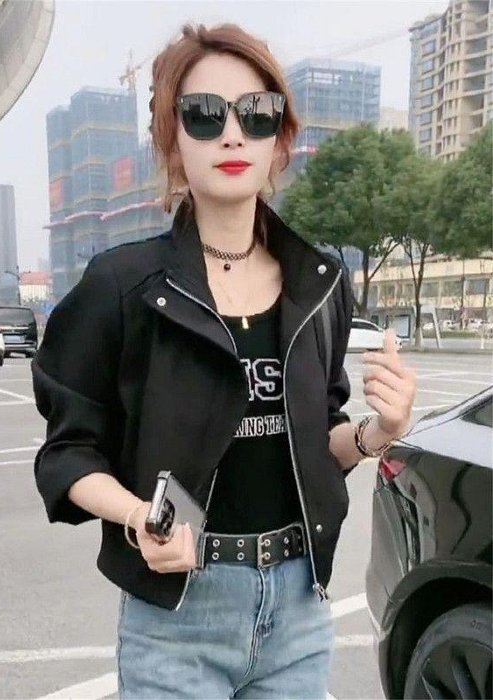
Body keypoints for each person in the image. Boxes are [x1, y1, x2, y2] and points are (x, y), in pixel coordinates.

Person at [32, 22, 416, 699]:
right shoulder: (123, 286)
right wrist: (140, 517)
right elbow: (68, 453)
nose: (233, 134)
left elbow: (317, 442)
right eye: (205, 114)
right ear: (172, 142)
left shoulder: (318, 284)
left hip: (297, 610)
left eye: (257, 113)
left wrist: (377, 431)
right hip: (179, 615)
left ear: (280, 141)